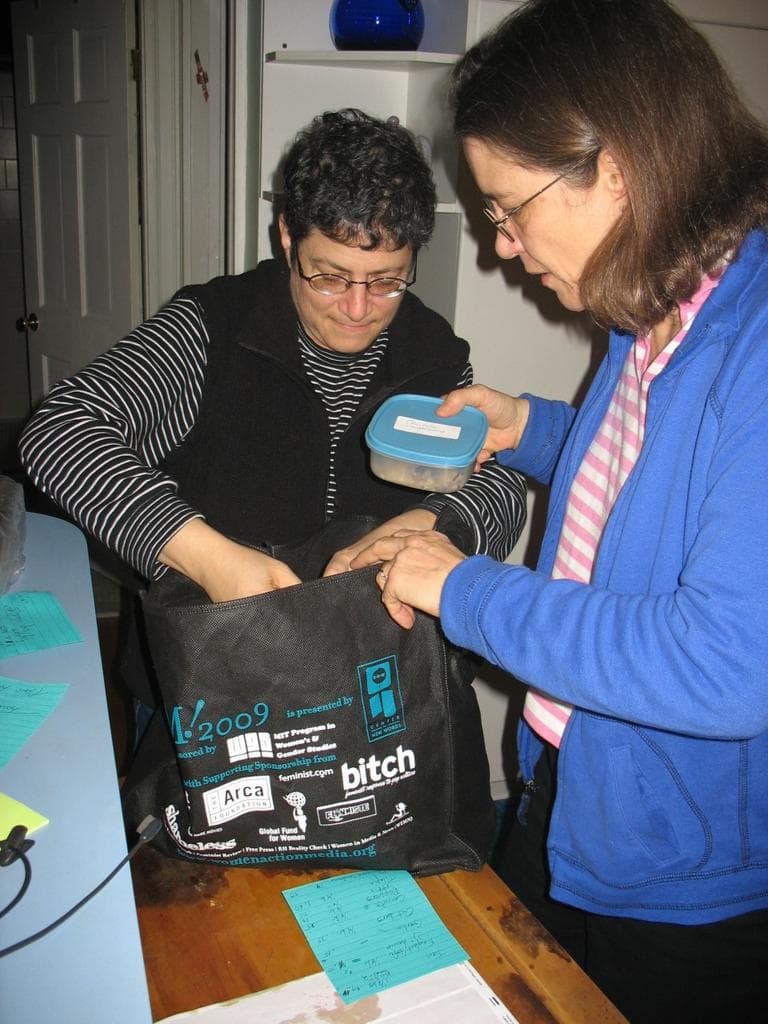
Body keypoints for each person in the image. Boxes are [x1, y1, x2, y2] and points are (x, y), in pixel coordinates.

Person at [348, 3, 768, 1021]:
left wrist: (466, 591)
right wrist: (525, 426)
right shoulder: (655, 308)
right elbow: (656, 474)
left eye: (507, 208)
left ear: (614, 167)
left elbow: (726, 664)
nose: (499, 247)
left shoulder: (753, 353)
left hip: (682, 886)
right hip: (570, 792)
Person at [18, 107, 526, 714]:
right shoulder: (211, 329)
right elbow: (58, 433)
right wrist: (212, 559)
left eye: (387, 280)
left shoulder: (434, 353)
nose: (358, 309)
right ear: (287, 235)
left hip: (369, 686)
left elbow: (498, 477)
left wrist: (434, 526)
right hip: (210, 683)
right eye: (330, 277)